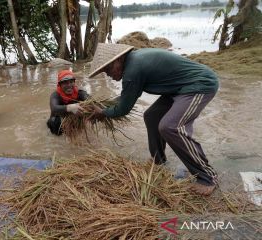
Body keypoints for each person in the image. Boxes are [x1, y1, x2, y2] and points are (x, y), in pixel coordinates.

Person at [88, 43, 219, 196]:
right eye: (104, 72)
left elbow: (123, 109)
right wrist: (105, 106)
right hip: (178, 88)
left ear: (119, 60)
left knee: (170, 127)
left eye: (108, 69)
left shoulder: (132, 70)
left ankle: (207, 176)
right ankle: (158, 160)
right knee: (152, 116)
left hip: (200, 84)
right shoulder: (134, 61)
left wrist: (102, 113)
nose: (108, 75)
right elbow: (126, 97)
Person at [47, 70, 88, 135]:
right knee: (53, 121)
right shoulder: (55, 95)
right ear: (59, 85)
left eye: (71, 82)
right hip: (60, 121)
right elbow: (54, 108)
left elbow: (91, 101)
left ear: (74, 82)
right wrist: (70, 108)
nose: (69, 85)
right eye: (65, 83)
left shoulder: (80, 93)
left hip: (74, 119)